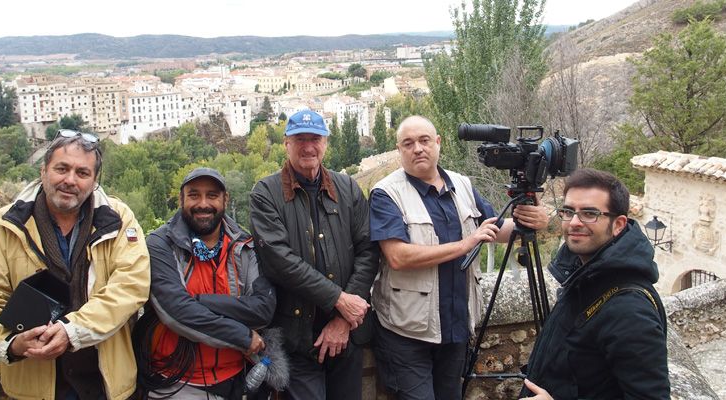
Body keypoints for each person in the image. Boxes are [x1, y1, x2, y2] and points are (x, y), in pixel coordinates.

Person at [0, 129, 150, 400]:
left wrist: (72, 332)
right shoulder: (6, 224)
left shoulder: (119, 220)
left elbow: (131, 286)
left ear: (94, 181)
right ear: (43, 171)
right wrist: (12, 343)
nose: (70, 180)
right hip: (32, 386)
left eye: (82, 173)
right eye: (62, 169)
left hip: (106, 384)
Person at [369, 116, 549, 400]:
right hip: (406, 333)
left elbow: (495, 229)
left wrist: (533, 221)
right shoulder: (386, 193)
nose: (418, 148)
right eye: (408, 143)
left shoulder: (462, 184)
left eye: (424, 140)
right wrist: (466, 243)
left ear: (438, 143)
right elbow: (398, 256)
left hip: (455, 327)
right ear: (399, 149)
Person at [249, 109, 379, 400]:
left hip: (347, 336)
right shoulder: (265, 194)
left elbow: (368, 250)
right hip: (296, 339)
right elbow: (280, 262)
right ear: (286, 144)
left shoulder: (347, 187)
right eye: (300, 139)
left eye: (315, 139)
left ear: (325, 143)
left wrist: (344, 318)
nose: (308, 147)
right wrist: (339, 299)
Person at [519, 168, 669, 400]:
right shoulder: (584, 277)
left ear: (618, 225)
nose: (574, 222)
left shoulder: (629, 310)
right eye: (568, 211)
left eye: (590, 213)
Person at [134, 167, 276, 399]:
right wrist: (243, 336)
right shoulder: (161, 244)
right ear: (181, 199)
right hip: (177, 382)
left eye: (212, 195)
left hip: (238, 380)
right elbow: (176, 311)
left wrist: (198, 301)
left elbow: (263, 309)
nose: (203, 203)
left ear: (225, 200)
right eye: (194, 195)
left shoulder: (245, 245)